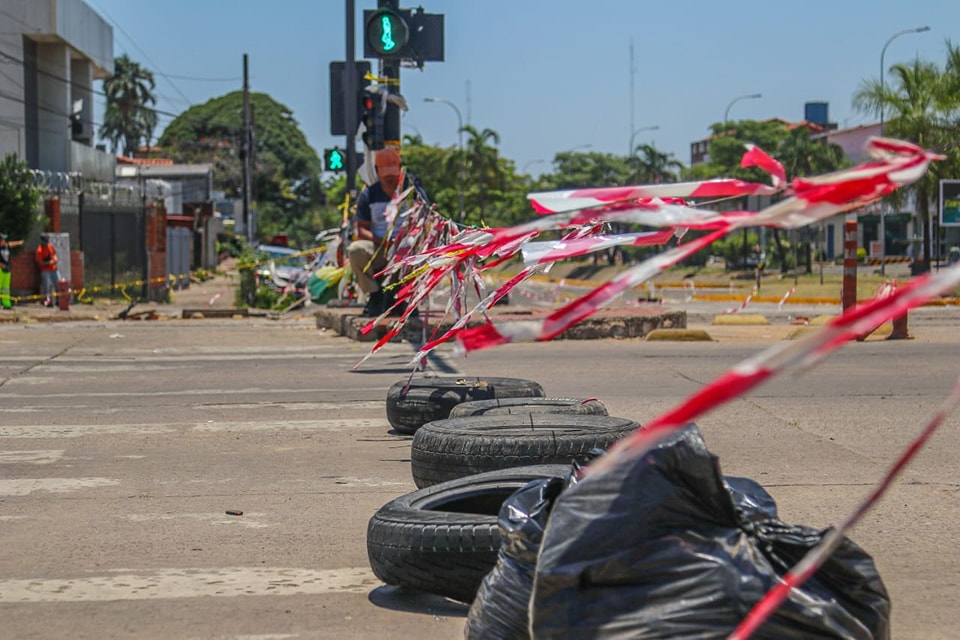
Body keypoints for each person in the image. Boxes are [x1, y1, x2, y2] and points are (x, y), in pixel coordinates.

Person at [348, 148, 405, 317]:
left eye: (392, 173)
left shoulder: (411, 191)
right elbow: (361, 229)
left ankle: (405, 297)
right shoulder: (369, 195)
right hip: (379, 246)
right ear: (377, 171)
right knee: (355, 250)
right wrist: (383, 242)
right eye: (385, 173)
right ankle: (375, 295)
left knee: (417, 248)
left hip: (407, 247)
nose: (389, 178)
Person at [0, 232, 25, 309]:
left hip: (7, 269)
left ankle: (6, 303)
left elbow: (11, 244)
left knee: (6, 288)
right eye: (3, 239)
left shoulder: (6, 246)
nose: (4, 241)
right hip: (0, 269)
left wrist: (19, 243)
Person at [35, 233, 59, 307]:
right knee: (47, 286)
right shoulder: (39, 250)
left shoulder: (50, 246)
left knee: (58, 284)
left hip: (53, 269)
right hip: (45, 270)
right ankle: (48, 301)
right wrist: (49, 263)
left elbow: (54, 255)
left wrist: (55, 259)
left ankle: (58, 300)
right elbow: (40, 262)